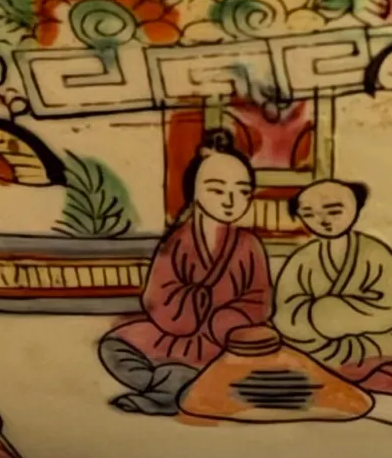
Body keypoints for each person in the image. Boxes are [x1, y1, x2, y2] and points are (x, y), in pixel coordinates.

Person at [98, 131, 272, 415]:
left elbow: (258, 301)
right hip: (176, 333)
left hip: (222, 339)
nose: (231, 201)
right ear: (194, 190)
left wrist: (223, 321)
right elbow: (158, 295)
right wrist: (195, 304)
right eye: (217, 190)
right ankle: (181, 384)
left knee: (243, 367)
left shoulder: (248, 245)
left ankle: (171, 388)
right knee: (113, 346)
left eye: (242, 191)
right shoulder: (177, 241)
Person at [273, 179, 392, 396]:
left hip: (367, 342)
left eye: (334, 211)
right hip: (314, 345)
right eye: (309, 214)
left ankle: (343, 377)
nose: (322, 221)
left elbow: (391, 310)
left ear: (355, 208)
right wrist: (319, 318)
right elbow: (284, 315)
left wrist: (336, 314)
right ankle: (346, 377)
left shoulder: (375, 253)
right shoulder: (302, 259)